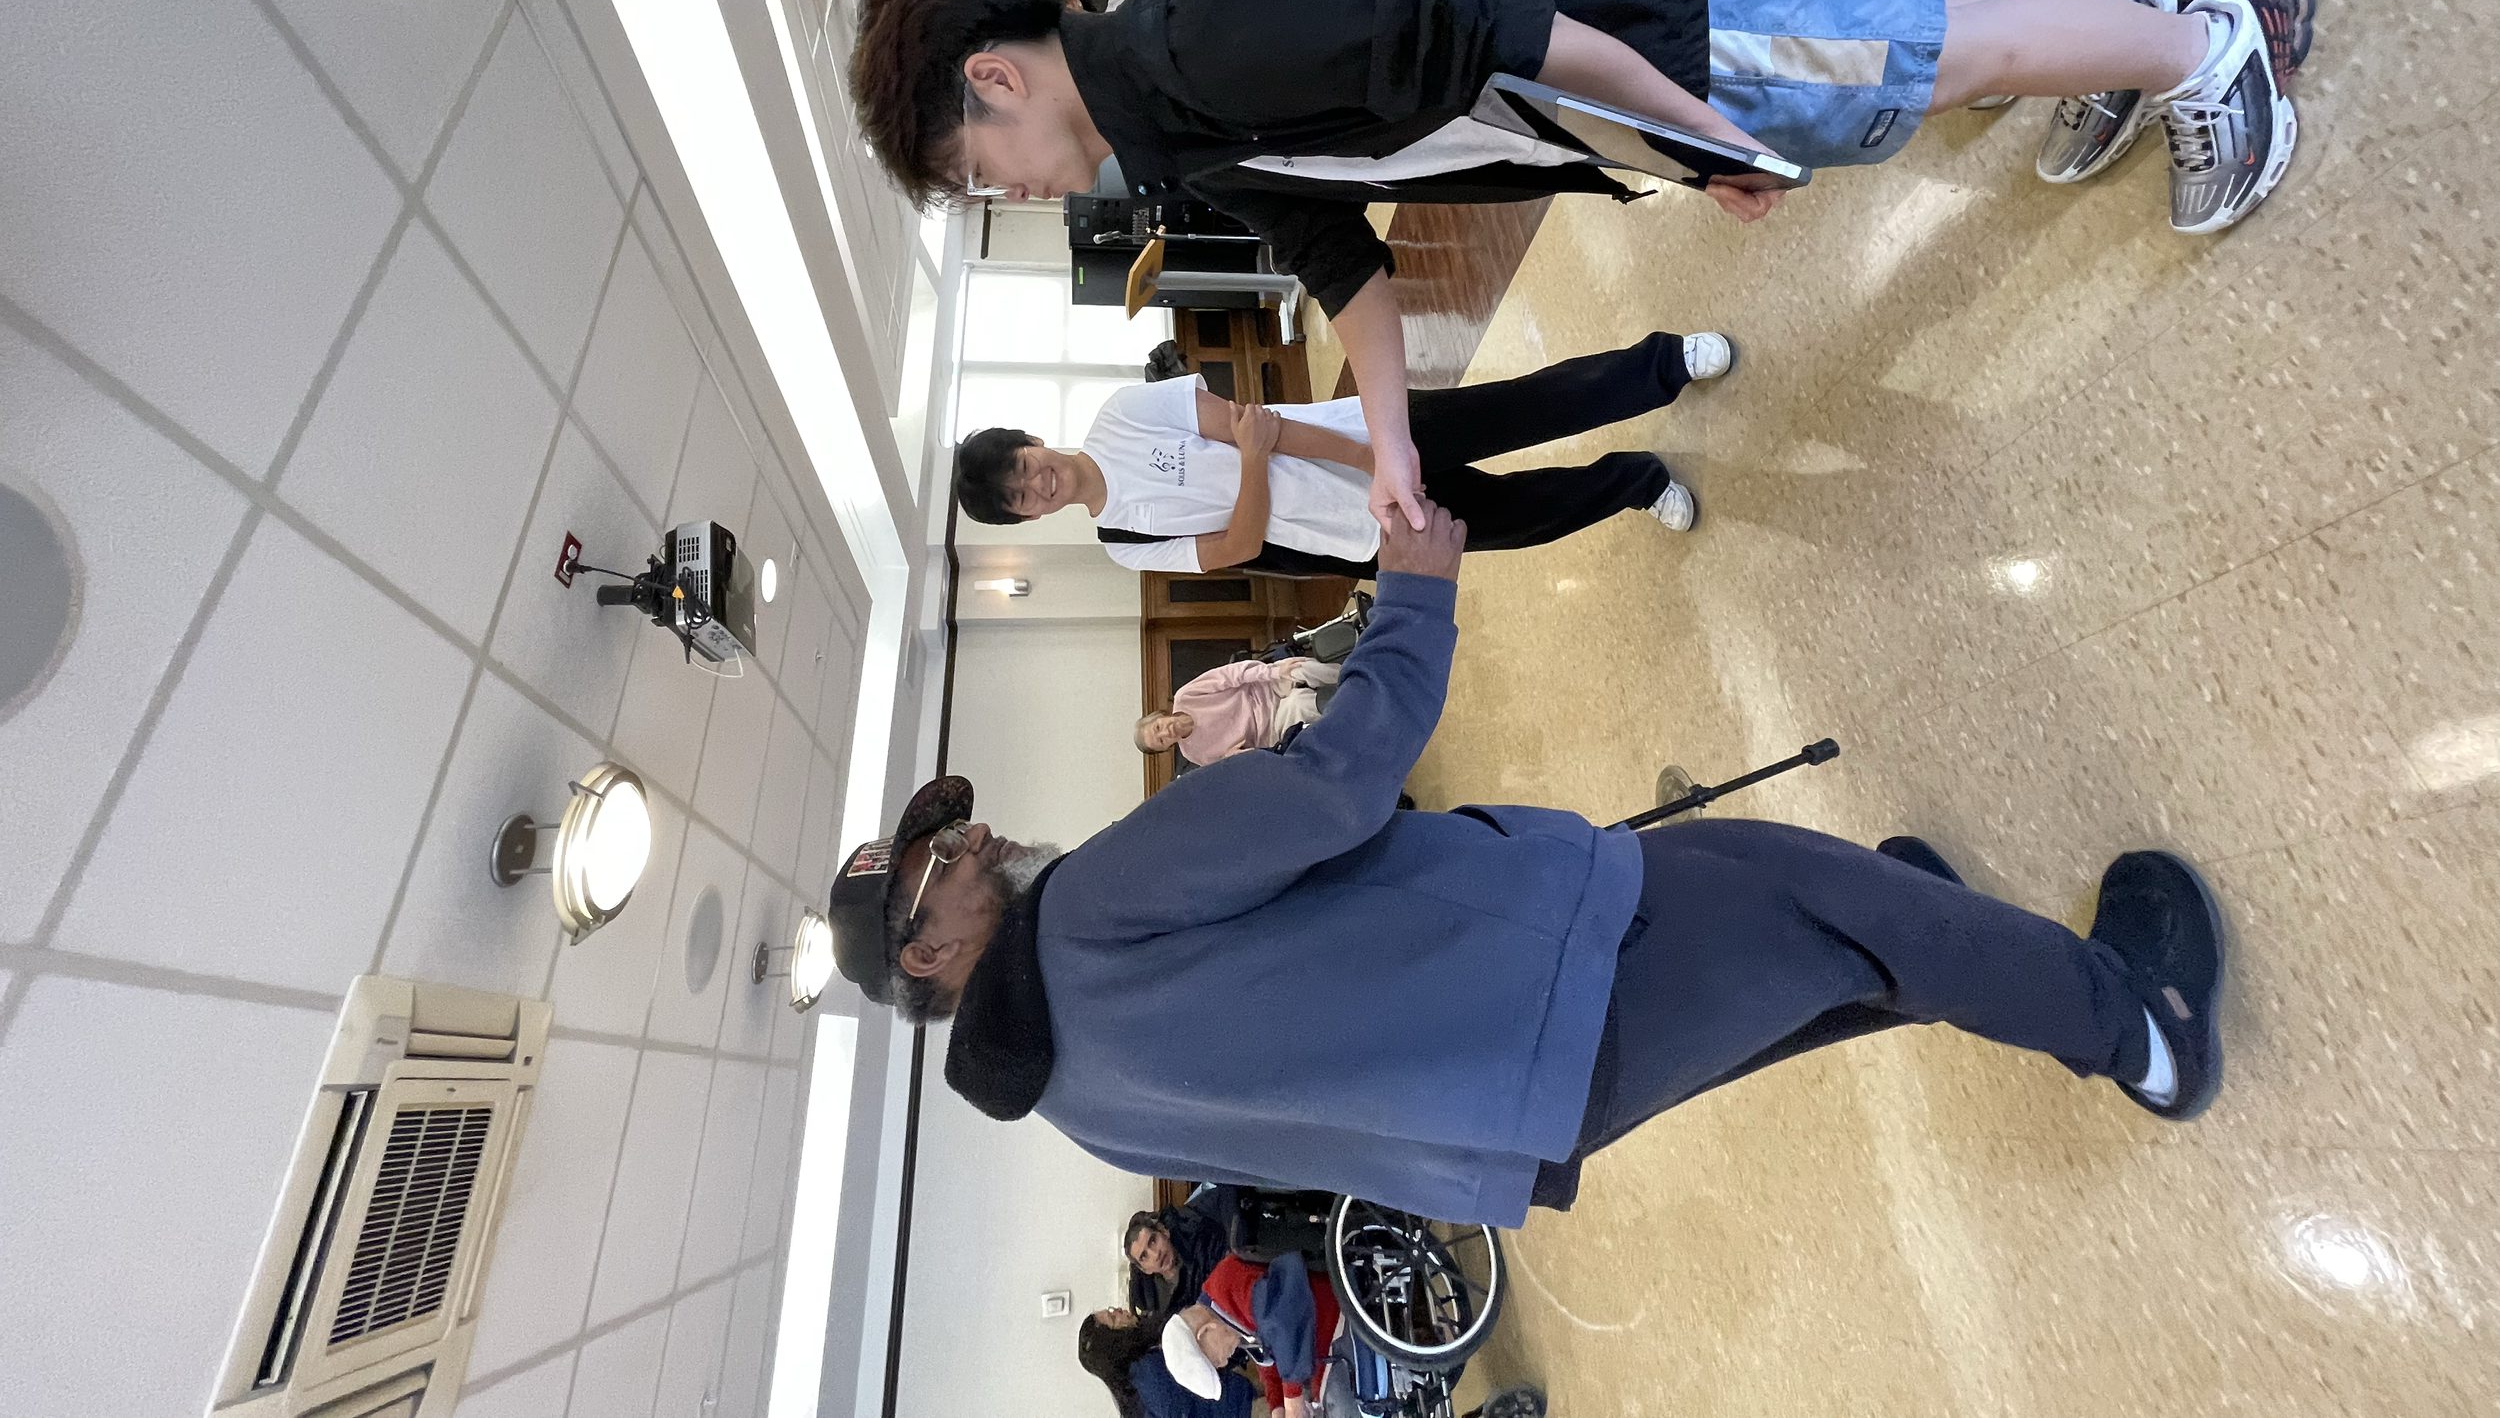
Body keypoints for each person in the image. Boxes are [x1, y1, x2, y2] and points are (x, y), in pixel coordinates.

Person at [823, 505, 2233, 1230]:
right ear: (931, 955)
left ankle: (1925, 936)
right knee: (1817, 898)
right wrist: (1416, 588)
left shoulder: (1076, 1106)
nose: (976, 838)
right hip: (1557, 967)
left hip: (1523, 1111)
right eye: (943, 861)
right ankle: (2136, 1021)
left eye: (953, 827)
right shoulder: (1087, 905)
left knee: (1819, 959)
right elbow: (1338, 780)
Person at [851, 0, 2313, 531]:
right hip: (1623, 89)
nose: (1023, 192)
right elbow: (1338, 263)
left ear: (995, 76)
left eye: (989, 168)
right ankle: (2151, 22)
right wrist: (1392, 447)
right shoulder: (1172, 128)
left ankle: (2209, 55)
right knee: (1907, 69)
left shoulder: (1210, 20)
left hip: (1639, 25)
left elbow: (1504, 19)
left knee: (1921, 60)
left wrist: (1700, 127)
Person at [955, 332, 1733, 575]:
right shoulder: (1122, 545)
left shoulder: (1120, 414)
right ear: (1031, 515)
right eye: (1021, 497)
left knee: (1525, 407)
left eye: (1022, 467)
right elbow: (1240, 542)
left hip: (1366, 434)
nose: (1037, 483)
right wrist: (1255, 465)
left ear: (1030, 442)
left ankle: (1661, 364)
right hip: (1355, 534)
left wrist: (1370, 458)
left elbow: (1256, 423)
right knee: (1523, 519)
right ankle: (1641, 481)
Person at [1161, 1251, 1345, 1418]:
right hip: (1323, 1346)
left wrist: (1292, 1399)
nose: (1224, 1363)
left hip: (1336, 1314)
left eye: (1215, 1362)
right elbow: (1265, 1358)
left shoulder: (1227, 1284)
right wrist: (1277, 1407)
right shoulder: (1225, 1316)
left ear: (1206, 1331)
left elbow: (1285, 1320)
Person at [1138, 655, 1343, 765]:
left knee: (1301, 667)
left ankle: (1353, 676)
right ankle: (1352, 704)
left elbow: (1231, 674)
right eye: (1162, 741)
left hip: (1266, 687)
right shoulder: (1195, 754)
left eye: (1157, 728)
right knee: (1299, 703)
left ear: (1159, 716)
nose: (1166, 732)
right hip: (1272, 725)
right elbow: (1229, 766)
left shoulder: (1186, 696)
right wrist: (1231, 757)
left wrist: (1272, 671)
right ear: (1166, 748)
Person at [1080, 1306, 1251, 1418]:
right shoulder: (1150, 1368)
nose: (1118, 1309)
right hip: (1241, 1404)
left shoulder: (1134, 1392)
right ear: (1114, 1343)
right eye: (1112, 1316)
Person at [1125, 1200, 1229, 1319]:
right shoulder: (1157, 1308)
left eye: (1153, 1241)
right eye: (1144, 1256)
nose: (1155, 1254)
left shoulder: (1199, 1236)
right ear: (1144, 1269)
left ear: (1164, 1231)